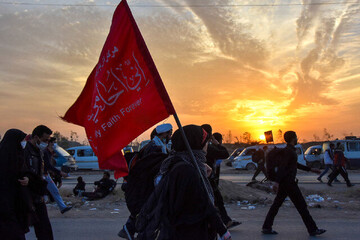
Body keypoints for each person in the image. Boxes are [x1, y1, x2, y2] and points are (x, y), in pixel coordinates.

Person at [140, 125, 231, 239]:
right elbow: (203, 203)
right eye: (205, 142)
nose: (207, 145)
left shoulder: (181, 163)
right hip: (189, 231)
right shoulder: (186, 170)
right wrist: (222, 230)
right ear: (196, 144)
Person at [262, 131, 326, 236]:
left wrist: (310, 169)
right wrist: (276, 183)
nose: (297, 139)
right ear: (293, 138)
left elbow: (294, 164)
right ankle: (313, 229)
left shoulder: (288, 151)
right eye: (296, 137)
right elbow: (283, 167)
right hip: (289, 183)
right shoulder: (289, 152)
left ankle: (266, 227)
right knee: (301, 206)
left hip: (285, 183)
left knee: (276, 205)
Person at [118, 124, 172, 239]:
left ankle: (129, 229)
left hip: (148, 184)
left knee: (146, 209)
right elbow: (150, 166)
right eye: (169, 134)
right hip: (147, 184)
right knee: (149, 211)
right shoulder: (154, 147)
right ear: (163, 134)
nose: (170, 136)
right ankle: (133, 231)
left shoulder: (157, 145)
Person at [202, 124, 240, 230]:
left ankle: (224, 221)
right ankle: (222, 222)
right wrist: (217, 144)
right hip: (209, 179)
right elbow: (225, 154)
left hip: (205, 178)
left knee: (215, 201)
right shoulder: (208, 148)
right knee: (217, 201)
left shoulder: (198, 146)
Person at [0, 129, 32, 240]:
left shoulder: (19, 154)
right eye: (22, 140)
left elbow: (25, 171)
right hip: (5, 202)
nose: (23, 142)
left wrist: (27, 178)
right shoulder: (3, 157)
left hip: (17, 201)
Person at [24, 125, 54, 240]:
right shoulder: (26, 152)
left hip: (38, 195)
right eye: (45, 140)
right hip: (29, 195)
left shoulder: (39, 152)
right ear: (36, 137)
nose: (47, 143)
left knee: (44, 229)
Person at [42, 137, 72, 214]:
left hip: (45, 174)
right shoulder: (45, 152)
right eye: (52, 143)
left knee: (54, 190)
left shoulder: (48, 152)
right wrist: (60, 172)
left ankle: (63, 207)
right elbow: (48, 165)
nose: (53, 144)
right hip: (43, 175)